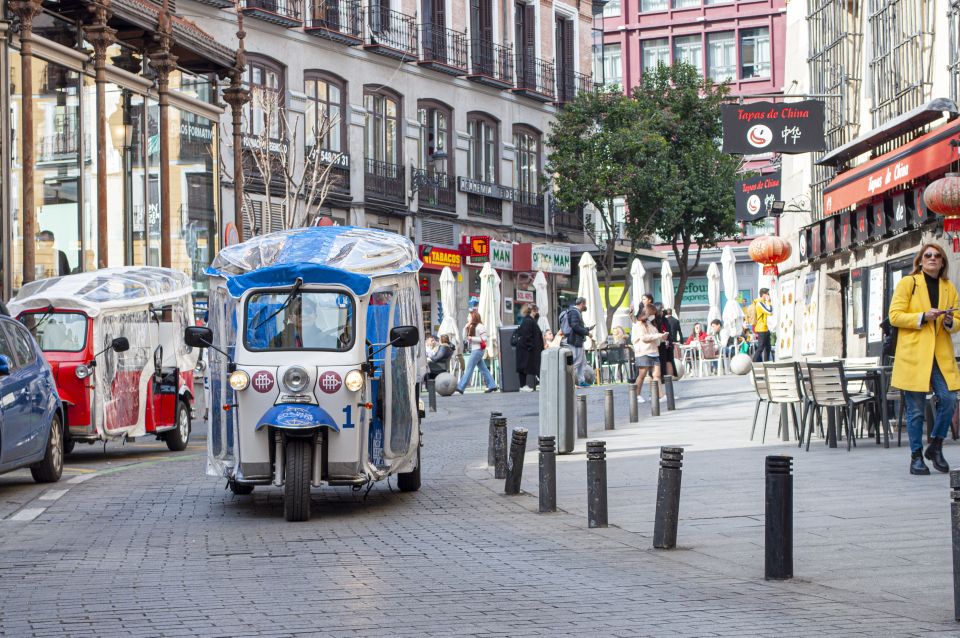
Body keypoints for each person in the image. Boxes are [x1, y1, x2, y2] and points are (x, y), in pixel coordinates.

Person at [889, 243, 960, 475]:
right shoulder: (908, 283)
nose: (932, 258)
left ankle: (936, 445)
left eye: (937, 256)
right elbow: (894, 316)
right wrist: (923, 316)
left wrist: (949, 321)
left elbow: (957, 319)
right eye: (928, 255)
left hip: (940, 355)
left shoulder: (948, 287)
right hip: (914, 354)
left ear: (942, 262)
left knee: (949, 398)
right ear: (920, 260)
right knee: (916, 410)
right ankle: (916, 457)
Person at [456, 310, 498, 394]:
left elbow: (485, 339)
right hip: (476, 350)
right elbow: (464, 337)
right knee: (483, 369)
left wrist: (472, 338)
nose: (467, 318)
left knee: (469, 369)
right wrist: (465, 327)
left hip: (477, 350)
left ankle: (461, 387)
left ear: (473, 317)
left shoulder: (480, 326)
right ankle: (492, 385)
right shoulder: (471, 326)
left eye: (469, 316)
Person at [632, 304, 667, 403]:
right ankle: (636, 395)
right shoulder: (638, 324)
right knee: (642, 375)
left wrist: (661, 337)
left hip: (654, 351)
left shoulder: (650, 323)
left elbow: (654, 334)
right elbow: (644, 338)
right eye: (652, 314)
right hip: (643, 352)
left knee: (657, 375)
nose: (654, 316)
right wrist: (658, 336)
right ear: (647, 313)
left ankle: (661, 395)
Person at [561, 297, 592, 387]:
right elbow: (574, 326)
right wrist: (587, 333)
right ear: (582, 303)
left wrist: (587, 329)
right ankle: (569, 380)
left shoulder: (575, 312)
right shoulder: (574, 312)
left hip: (577, 339)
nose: (585, 306)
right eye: (585, 304)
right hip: (575, 340)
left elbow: (576, 326)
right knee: (576, 361)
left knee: (582, 361)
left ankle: (581, 381)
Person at [514, 304, 544, 392]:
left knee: (528, 367)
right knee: (524, 367)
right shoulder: (528, 321)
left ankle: (524, 386)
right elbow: (527, 336)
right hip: (526, 349)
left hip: (527, 349)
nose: (537, 313)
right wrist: (531, 347)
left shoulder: (529, 320)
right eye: (536, 311)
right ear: (533, 311)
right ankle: (523, 386)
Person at [657, 306, 682, 379]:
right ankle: (667, 379)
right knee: (667, 360)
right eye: (660, 310)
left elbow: (668, 331)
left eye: (662, 310)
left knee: (668, 360)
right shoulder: (661, 320)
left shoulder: (663, 320)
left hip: (665, 343)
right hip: (665, 343)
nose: (661, 312)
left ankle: (668, 379)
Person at [752, 288, 773, 362]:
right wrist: (769, 302)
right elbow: (770, 311)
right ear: (764, 294)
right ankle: (753, 363)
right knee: (761, 347)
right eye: (768, 294)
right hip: (761, 329)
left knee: (768, 347)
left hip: (765, 328)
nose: (769, 295)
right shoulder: (759, 303)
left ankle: (766, 364)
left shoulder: (763, 302)